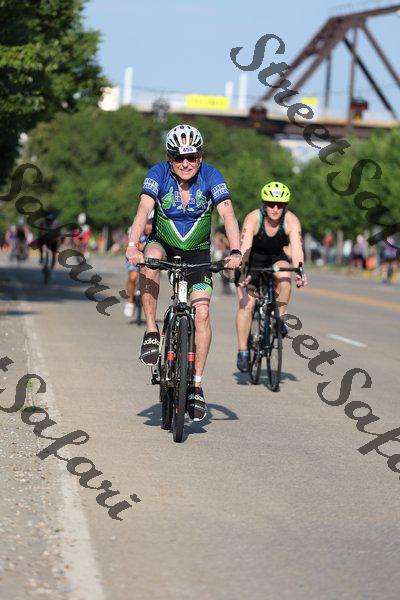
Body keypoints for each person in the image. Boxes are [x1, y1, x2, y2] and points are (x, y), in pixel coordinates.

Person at [126, 123, 241, 420]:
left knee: (201, 313)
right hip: (163, 244)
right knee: (150, 259)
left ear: (200, 156)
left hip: (198, 252)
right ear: (170, 158)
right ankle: (152, 331)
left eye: (192, 157)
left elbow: (227, 213)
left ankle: (196, 386)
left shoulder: (211, 176)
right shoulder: (158, 174)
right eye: (179, 157)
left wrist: (236, 251)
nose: (186, 163)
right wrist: (132, 246)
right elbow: (143, 210)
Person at [235, 181, 307, 373]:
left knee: (285, 277)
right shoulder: (253, 218)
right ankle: (243, 351)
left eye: (280, 205)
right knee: (248, 304)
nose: (275, 208)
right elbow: (245, 249)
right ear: (264, 204)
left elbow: (297, 249)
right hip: (252, 260)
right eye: (270, 204)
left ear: (285, 206)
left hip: (276, 257)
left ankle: (278, 319)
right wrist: (243, 272)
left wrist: (300, 271)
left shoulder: (291, 220)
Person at [124, 215, 153, 318]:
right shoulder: (135, 230)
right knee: (133, 277)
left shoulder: (157, 232)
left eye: (151, 224)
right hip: (135, 258)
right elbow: (133, 245)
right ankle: (130, 301)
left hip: (149, 259)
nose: (149, 227)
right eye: (147, 224)